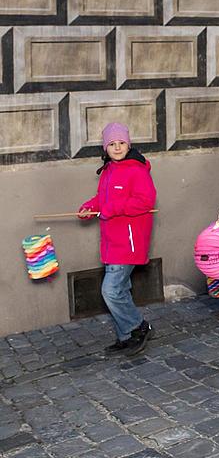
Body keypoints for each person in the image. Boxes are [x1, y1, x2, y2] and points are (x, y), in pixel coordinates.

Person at [79, 123, 156, 357]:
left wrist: (112, 208)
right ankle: (126, 336)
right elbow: (102, 198)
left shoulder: (137, 170)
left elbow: (146, 201)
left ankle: (139, 326)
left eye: (121, 143)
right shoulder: (109, 170)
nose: (117, 147)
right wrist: (90, 206)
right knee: (121, 288)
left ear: (128, 144)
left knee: (111, 290)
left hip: (128, 242)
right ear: (106, 148)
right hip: (111, 241)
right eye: (112, 144)